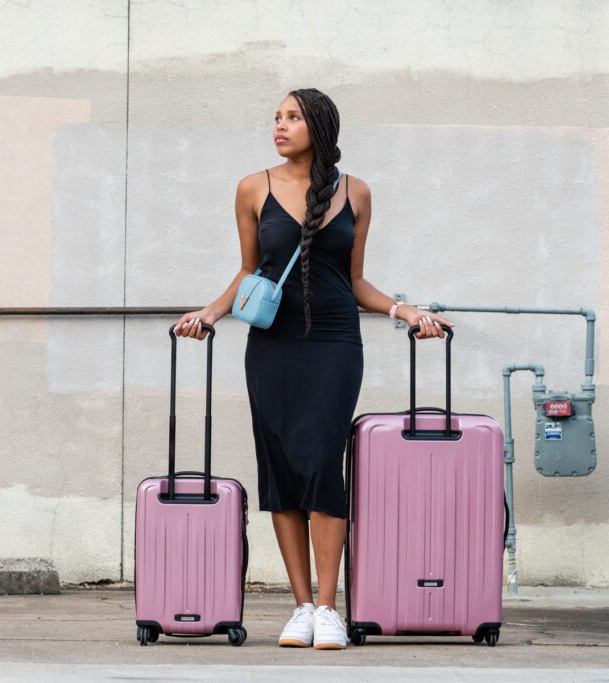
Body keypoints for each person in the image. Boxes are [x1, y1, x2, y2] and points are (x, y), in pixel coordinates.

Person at [173, 88, 454, 650]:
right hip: (272, 348)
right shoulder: (253, 188)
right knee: (281, 467)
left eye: (293, 117)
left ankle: (329, 607)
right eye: (276, 117)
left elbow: (354, 283)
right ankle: (300, 606)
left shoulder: (356, 193)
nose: (279, 125)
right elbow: (250, 271)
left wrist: (404, 310)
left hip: (333, 347)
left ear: (320, 127)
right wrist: (209, 313)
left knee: (322, 462)